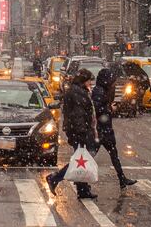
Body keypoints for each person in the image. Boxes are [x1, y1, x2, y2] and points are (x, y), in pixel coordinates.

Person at [46, 69, 100, 199]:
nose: (90, 83)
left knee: (82, 160)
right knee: (80, 161)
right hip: (79, 132)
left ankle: (83, 189)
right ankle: (55, 178)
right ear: (83, 80)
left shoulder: (77, 91)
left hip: (78, 131)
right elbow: (78, 116)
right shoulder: (77, 93)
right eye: (89, 81)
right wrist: (83, 133)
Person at [91, 68, 136, 189]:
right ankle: (58, 177)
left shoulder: (103, 90)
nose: (114, 83)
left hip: (105, 130)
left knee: (114, 155)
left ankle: (122, 179)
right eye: (112, 80)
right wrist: (110, 109)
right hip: (100, 131)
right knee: (87, 157)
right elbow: (97, 110)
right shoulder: (99, 91)